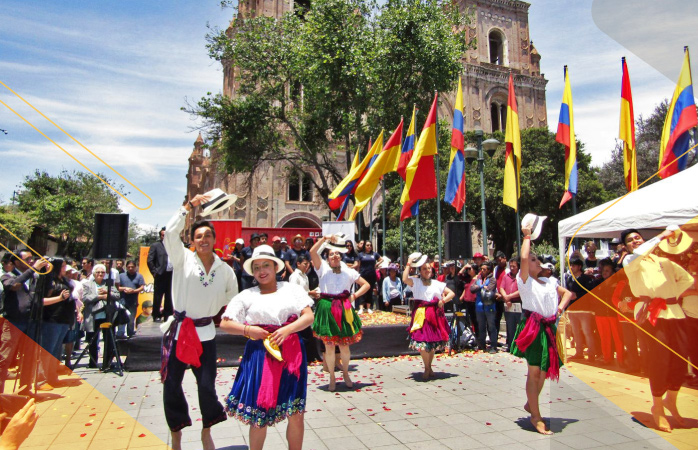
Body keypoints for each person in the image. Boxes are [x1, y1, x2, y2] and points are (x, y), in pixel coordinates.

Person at [161, 194, 238, 450]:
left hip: (206, 333)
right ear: (191, 241)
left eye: (207, 236)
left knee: (206, 387)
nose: (203, 240)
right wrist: (188, 207)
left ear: (214, 240)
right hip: (180, 331)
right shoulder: (182, 259)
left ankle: (207, 430)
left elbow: (234, 300)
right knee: (171, 384)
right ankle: (176, 433)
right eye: (198, 236)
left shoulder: (225, 270)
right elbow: (170, 233)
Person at [220, 245, 314, 450]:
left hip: (290, 355)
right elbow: (225, 323)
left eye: (266, 265)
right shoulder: (247, 295)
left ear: (276, 267)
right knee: (258, 413)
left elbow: (308, 316)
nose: (262, 271)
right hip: (260, 356)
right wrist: (248, 330)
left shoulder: (291, 289)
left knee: (295, 413)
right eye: (257, 267)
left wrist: (287, 330)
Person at [621, 227, 693, 433]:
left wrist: (669, 296)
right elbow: (638, 253)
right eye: (630, 240)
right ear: (625, 246)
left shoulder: (664, 262)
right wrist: (661, 236)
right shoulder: (630, 262)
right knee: (659, 360)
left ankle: (671, 400)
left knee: (679, 359)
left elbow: (687, 279)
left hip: (675, 312)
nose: (635, 241)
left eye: (637, 238)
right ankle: (658, 407)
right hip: (652, 316)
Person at [510, 221, 573, 435]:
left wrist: (560, 309)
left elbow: (567, 294)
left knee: (545, 369)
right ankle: (535, 417)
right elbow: (525, 258)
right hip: (533, 327)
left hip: (548, 327)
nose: (535, 262)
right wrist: (527, 236)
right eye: (533, 260)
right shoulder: (524, 280)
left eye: (537, 260)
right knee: (534, 371)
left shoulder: (550, 281)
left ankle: (531, 403)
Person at [310, 235, 369, 391]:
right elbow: (312, 252)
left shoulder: (348, 271)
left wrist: (354, 295)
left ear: (341, 255)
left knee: (344, 345)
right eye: (331, 254)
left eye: (337, 253)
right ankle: (331, 376)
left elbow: (366, 285)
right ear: (328, 257)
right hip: (326, 307)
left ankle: (345, 373)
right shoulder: (322, 268)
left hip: (343, 308)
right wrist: (324, 239)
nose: (334, 256)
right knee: (329, 346)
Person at [403, 253, 454, 379]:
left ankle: (428, 367)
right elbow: (404, 278)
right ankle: (427, 368)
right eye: (424, 269)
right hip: (421, 315)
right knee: (422, 342)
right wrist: (409, 262)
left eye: (429, 269)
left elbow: (451, 293)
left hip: (434, 315)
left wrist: (443, 301)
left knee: (431, 343)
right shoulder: (415, 282)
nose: (427, 271)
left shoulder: (437, 283)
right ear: (420, 270)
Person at [82, 264, 120, 370]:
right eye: (98, 272)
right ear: (94, 273)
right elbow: (85, 298)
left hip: (106, 316)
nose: (100, 274)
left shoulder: (109, 283)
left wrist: (107, 293)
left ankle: (107, 363)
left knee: (108, 340)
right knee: (92, 341)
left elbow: (117, 295)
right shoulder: (88, 284)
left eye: (102, 272)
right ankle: (93, 362)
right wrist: (100, 296)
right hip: (93, 317)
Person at [565, 258, 600, 361]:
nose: (571, 267)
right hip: (573, 309)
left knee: (587, 331)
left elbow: (589, 293)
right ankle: (579, 352)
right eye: (570, 265)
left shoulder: (586, 279)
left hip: (585, 310)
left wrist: (578, 295)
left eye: (574, 265)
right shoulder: (569, 279)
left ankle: (591, 353)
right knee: (576, 332)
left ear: (579, 266)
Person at [471, 262, 498, 353]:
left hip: (489, 306)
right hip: (479, 307)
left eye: (484, 269)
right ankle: (482, 345)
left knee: (491, 326)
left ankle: (493, 346)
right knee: (481, 327)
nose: (482, 271)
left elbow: (489, 289)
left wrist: (478, 287)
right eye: (481, 269)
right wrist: (482, 286)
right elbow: (472, 289)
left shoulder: (492, 279)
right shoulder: (478, 279)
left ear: (489, 270)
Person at [147, 227, 173, 322]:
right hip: (160, 274)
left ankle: (168, 315)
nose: (165, 237)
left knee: (169, 296)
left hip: (171, 274)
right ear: (160, 236)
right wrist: (154, 272)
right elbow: (150, 260)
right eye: (163, 235)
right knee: (158, 296)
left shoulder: (173, 245)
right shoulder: (156, 246)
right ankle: (156, 314)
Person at [499, 258, 522, 351]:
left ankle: (520, 347)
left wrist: (509, 296)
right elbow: (501, 288)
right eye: (511, 266)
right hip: (508, 303)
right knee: (510, 326)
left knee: (520, 326)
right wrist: (506, 298)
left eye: (514, 266)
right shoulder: (506, 276)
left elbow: (522, 290)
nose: (512, 268)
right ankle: (511, 346)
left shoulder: (521, 277)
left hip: (519, 303)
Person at [117, 260, 145, 338]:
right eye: (129, 267)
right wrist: (125, 289)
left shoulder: (139, 276)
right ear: (126, 267)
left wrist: (133, 291)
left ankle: (130, 334)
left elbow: (142, 287)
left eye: (132, 267)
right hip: (122, 301)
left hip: (133, 302)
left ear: (135, 267)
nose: (130, 268)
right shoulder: (121, 276)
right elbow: (117, 287)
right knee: (122, 318)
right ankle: (120, 334)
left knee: (131, 320)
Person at [356, 241, 383, 314]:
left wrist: (376, 265)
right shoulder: (360, 255)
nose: (369, 246)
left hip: (372, 275)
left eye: (370, 245)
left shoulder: (374, 254)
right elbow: (358, 265)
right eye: (367, 245)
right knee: (362, 291)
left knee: (370, 291)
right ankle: (361, 308)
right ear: (365, 246)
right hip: (363, 275)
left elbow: (382, 259)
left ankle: (368, 308)